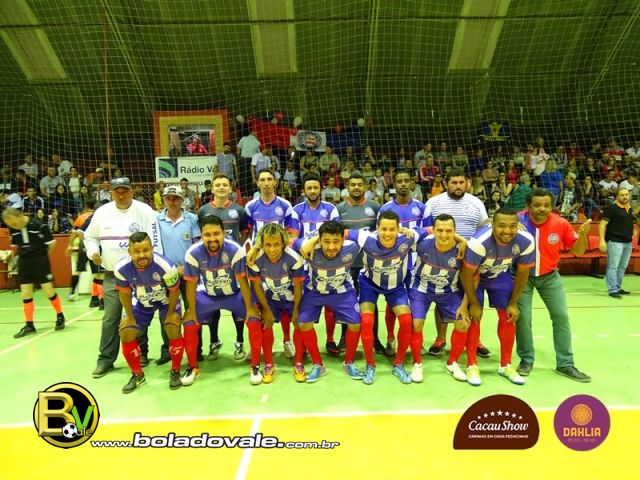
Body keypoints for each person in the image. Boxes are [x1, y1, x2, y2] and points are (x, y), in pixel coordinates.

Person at [83, 177, 161, 378]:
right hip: (112, 275)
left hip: (140, 275)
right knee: (111, 318)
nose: (121, 194)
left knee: (138, 314)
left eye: (124, 190)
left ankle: (141, 353)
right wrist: (93, 252)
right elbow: (89, 237)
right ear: (111, 192)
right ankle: (105, 360)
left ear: (131, 191)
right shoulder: (102, 213)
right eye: (117, 191)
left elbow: (156, 240)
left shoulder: (144, 211)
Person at [515, 188, 592, 382]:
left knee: (561, 317)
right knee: (523, 318)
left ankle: (565, 364)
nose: (542, 209)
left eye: (546, 205)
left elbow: (578, 252)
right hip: (522, 277)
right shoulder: (516, 220)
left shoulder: (561, 223)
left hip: (550, 277)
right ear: (528, 206)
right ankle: (526, 359)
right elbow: (491, 224)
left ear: (552, 206)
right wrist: (512, 225)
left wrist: (583, 236)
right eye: (537, 205)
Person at [459, 208, 535, 386]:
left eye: (512, 226)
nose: (507, 231)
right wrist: (473, 304)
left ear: (518, 225)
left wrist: (513, 302)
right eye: (501, 226)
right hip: (476, 278)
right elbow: (466, 274)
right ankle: (471, 365)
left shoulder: (526, 240)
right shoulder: (479, 242)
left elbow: (523, 273)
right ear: (492, 225)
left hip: (499, 276)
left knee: (508, 316)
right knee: (474, 317)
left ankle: (506, 365)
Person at [182, 215, 260, 386]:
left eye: (216, 233)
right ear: (201, 236)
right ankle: (192, 367)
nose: (212, 238)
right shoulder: (192, 253)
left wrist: (250, 308)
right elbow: (191, 285)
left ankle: (255, 365)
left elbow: (243, 281)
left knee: (254, 319)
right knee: (189, 323)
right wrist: (191, 311)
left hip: (234, 294)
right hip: (207, 296)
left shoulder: (235, 250)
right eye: (207, 235)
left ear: (224, 233)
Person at [422, 167, 490, 357]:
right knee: (441, 297)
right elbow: (427, 230)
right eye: (454, 182)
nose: (458, 186)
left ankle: (475, 339)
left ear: (467, 183)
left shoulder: (476, 203)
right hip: (442, 259)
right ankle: (440, 338)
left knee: (474, 298)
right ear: (446, 183)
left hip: (471, 260)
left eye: (461, 182)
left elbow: (484, 228)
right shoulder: (433, 202)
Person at [295, 221, 368, 383]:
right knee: (304, 323)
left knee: (356, 324)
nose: (331, 247)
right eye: (326, 241)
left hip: (342, 290)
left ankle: (349, 362)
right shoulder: (308, 247)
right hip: (315, 291)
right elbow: (289, 240)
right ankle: (318, 364)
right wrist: (312, 241)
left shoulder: (353, 246)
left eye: (336, 241)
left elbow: (373, 235)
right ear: (319, 240)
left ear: (343, 240)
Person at [114, 232, 184, 393]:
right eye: (136, 251)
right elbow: (124, 293)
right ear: (129, 252)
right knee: (126, 332)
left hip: (167, 301)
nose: (141, 255)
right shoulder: (121, 268)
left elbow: (174, 291)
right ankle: (137, 374)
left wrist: (171, 313)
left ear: (152, 248)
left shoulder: (166, 265)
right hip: (141, 302)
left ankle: (175, 370)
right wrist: (129, 316)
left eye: (145, 250)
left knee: (172, 327)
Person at [245, 169, 300, 358]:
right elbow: (247, 233)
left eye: (269, 179)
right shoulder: (250, 206)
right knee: (258, 301)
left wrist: (283, 251)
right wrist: (254, 250)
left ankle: (287, 340)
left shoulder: (285, 205)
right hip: (258, 260)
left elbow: (292, 232)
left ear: (275, 182)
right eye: (262, 180)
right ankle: (258, 345)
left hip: (279, 257)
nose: (266, 183)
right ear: (257, 183)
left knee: (282, 300)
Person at [407, 214, 467, 383]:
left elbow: (472, 278)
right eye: (439, 230)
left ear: (455, 232)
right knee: (416, 323)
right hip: (421, 289)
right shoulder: (422, 243)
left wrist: (465, 304)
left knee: (463, 324)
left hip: (449, 291)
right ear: (433, 230)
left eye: (449, 231)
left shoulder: (463, 250)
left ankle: (452, 363)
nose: (444, 235)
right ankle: (417, 364)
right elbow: (400, 238)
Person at [198, 173, 249, 361]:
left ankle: (239, 341)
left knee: (237, 303)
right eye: (217, 184)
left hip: (233, 265)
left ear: (230, 188)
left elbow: (245, 233)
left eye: (224, 184)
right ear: (212, 188)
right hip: (210, 265)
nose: (221, 187)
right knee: (213, 303)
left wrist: (237, 253)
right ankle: (214, 341)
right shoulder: (203, 210)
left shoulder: (239, 210)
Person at [247, 224, 305, 384]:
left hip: (291, 296)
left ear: (283, 243)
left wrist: (297, 311)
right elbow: (257, 285)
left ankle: (299, 362)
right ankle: (269, 364)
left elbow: (298, 286)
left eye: (276, 244)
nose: (272, 249)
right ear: (262, 244)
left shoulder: (294, 258)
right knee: (266, 323)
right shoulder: (256, 259)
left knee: (299, 323)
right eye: (268, 244)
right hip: (271, 297)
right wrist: (266, 309)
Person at [378, 170, 426, 356]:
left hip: (416, 262)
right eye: (400, 181)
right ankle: (391, 338)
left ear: (412, 183)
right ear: (394, 184)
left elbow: (429, 232)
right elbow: (380, 236)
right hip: (394, 262)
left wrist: (412, 234)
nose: (403, 184)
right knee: (392, 301)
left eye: (406, 181)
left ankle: (416, 338)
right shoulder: (385, 209)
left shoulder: (421, 208)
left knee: (415, 302)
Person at [292, 174, 340, 356]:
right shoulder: (296, 210)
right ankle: (304, 344)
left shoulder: (331, 209)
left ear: (321, 188)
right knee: (304, 304)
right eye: (309, 188)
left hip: (327, 263)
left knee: (329, 304)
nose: (312, 191)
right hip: (304, 264)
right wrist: (305, 246)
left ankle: (330, 339)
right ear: (303, 190)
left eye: (315, 187)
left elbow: (336, 235)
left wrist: (313, 243)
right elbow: (292, 238)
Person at [336, 173, 382, 353]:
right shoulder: (339, 209)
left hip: (369, 263)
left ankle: (375, 339)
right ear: (347, 187)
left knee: (371, 302)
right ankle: (343, 338)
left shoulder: (375, 207)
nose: (356, 187)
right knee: (346, 301)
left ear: (365, 187)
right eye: (353, 184)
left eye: (359, 184)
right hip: (347, 264)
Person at [1, 208, 66, 338]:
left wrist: (43, 257)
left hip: (40, 260)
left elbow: (52, 243)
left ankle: (60, 316)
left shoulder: (39, 225)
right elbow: (16, 246)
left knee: (48, 291)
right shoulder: (13, 229)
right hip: (24, 261)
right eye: (9, 224)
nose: (12, 226)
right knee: (26, 293)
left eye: (13, 223)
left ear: (19, 216)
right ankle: (29, 325)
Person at [155, 186, 201, 364]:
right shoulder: (156, 220)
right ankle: (168, 350)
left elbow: (197, 246)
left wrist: (187, 266)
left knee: (193, 311)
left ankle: (196, 349)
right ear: (164, 200)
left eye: (176, 198)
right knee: (167, 313)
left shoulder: (192, 219)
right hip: (165, 275)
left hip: (189, 273)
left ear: (182, 200)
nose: (172, 201)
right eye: (169, 198)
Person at [598, 188, 635, 298]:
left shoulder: (629, 208)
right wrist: (602, 240)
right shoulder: (612, 208)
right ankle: (612, 289)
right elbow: (602, 225)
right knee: (613, 266)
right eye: (622, 195)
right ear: (617, 196)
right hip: (614, 241)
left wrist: (633, 231)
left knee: (622, 267)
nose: (625, 197)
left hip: (628, 242)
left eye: (626, 194)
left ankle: (617, 287)